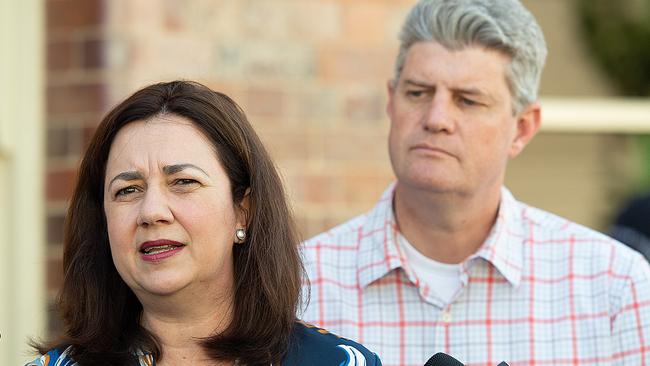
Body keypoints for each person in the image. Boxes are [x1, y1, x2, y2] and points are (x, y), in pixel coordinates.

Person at [300, 0, 650, 365]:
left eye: (467, 101)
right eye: (417, 93)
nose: (436, 119)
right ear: (391, 102)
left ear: (523, 128)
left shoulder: (616, 288)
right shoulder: (298, 285)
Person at [28, 81, 381, 366]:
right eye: (128, 190)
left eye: (183, 182)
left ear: (243, 210)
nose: (152, 212)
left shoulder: (339, 362)